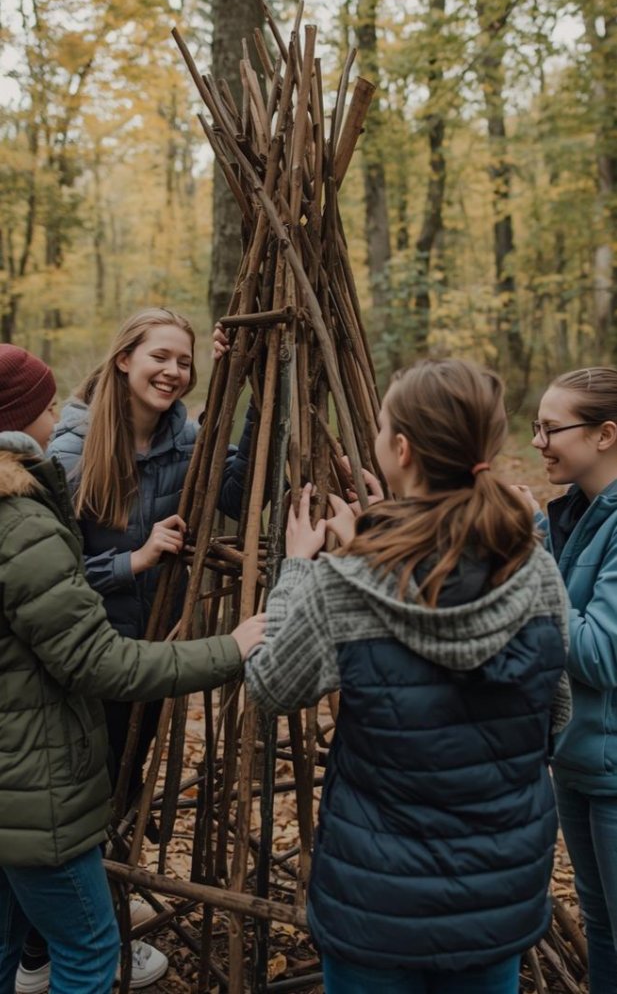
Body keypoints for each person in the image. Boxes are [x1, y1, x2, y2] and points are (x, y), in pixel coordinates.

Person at [245, 357, 571, 994]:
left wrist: (300, 573)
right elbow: (555, 712)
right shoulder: (532, 567)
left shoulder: (347, 583)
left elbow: (271, 686)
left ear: (400, 450)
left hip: (376, 903)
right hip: (495, 892)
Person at [0, 343, 265, 994]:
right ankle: (47, 950)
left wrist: (250, 394)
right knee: (90, 948)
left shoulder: (180, 440)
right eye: (45, 402)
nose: (57, 411)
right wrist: (226, 648)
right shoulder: (32, 505)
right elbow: (85, 647)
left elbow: (235, 488)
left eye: (185, 359)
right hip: (45, 754)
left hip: (73, 706)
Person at [527, 366, 617, 994]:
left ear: (605, 434)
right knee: (603, 929)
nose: (538, 442)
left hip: (613, 774)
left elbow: (598, 653)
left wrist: (533, 552)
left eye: (550, 429)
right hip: (579, 761)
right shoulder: (580, 513)